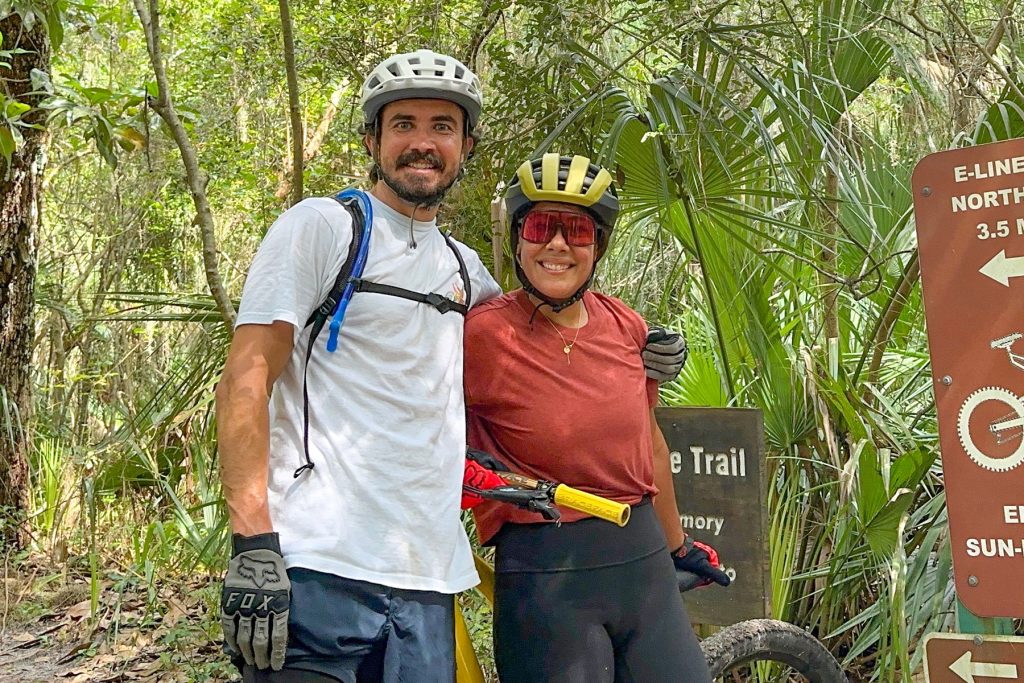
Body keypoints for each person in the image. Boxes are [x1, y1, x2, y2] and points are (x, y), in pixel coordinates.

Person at [215, 51, 687, 682]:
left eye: (442, 126)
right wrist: (253, 543)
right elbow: (246, 378)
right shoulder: (323, 229)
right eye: (403, 124)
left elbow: (552, 341)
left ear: (465, 146)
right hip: (317, 565)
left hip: (428, 583)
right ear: (371, 139)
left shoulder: (465, 272)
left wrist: (646, 351)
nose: (422, 142)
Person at [463, 153, 730, 683]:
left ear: (598, 246)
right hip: (546, 576)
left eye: (577, 230)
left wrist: (678, 546)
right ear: (518, 239)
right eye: (541, 226)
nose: (558, 244)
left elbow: (651, 445)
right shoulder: (483, 335)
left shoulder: (624, 323)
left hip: (643, 565)